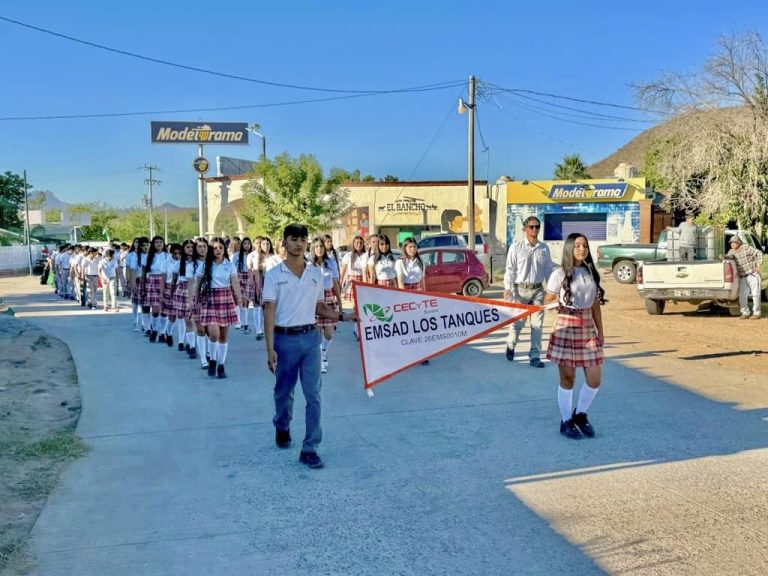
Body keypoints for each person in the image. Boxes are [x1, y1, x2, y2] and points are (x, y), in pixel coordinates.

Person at [263, 224, 356, 469]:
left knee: (313, 395)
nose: (299, 244)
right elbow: (269, 312)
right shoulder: (274, 275)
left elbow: (320, 307)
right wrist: (269, 348)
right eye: (293, 239)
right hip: (284, 340)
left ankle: (310, 447)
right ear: (284, 243)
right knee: (284, 393)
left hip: (310, 339)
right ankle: (282, 425)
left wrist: (344, 316)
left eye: (303, 239)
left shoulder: (315, 274)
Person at [544, 233, 605, 440]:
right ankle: (565, 420)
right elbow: (547, 301)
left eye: (585, 245)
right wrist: (557, 305)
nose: (582, 249)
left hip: (587, 327)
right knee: (568, 378)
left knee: (595, 379)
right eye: (577, 245)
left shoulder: (591, 273)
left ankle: (580, 414)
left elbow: (595, 305)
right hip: (566, 325)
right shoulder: (559, 274)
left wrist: (600, 332)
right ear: (570, 248)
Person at [503, 216, 553, 368]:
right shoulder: (516, 247)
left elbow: (548, 271)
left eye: (537, 226)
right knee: (518, 323)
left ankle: (535, 356)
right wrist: (508, 288)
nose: (534, 230)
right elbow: (510, 269)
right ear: (524, 229)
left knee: (537, 325)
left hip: (538, 290)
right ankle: (511, 345)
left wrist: (552, 292)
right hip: (520, 290)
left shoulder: (544, 248)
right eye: (531, 227)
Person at [191, 237, 243, 378]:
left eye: (220, 247)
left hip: (225, 298)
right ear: (211, 250)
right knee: (214, 333)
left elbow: (235, 283)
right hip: (209, 299)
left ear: (224, 250)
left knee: (223, 336)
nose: (218, 250)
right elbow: (197, 283)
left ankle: (221, 365)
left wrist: (239, 298)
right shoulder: (205, 265)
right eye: (215, 248)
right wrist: (195, 301)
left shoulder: (229, 265)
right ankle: (212, 360)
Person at [311, 237, 341, 374]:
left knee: (328, 332)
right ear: (313, 248)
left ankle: (323, 351)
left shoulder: (331, 263)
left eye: (321, 246)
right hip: (314, 298)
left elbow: (335, 283)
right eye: (316, 246)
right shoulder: (308, 264)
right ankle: (320, 360)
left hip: (329, 297)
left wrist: (339, 301)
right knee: (317, 332)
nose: (319, 249)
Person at [724, 235, 763, 320]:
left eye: (734, 242)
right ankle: (745, 312)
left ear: (739, 243)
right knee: (742, 296)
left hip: (752, 274)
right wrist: (723, 256)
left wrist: (759, 265)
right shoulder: (731, 252)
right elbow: (729, 257)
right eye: (731, 243)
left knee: (756, 294)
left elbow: (759, 253)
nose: (732, 244)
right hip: (742, 277)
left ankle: (757, 313)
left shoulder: (746, 248)